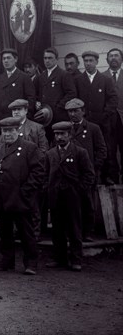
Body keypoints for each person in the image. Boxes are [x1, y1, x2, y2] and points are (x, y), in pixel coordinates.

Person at [0, 117, 45, 275]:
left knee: (26, 232)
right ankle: (7, 261)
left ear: (17, 131)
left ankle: (31, 263)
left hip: (21, 199)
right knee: (5, 232)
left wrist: (26, 191)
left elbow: (38, 171)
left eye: (10, 131)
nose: (7, 134)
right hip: (2, 199)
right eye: (4, 131)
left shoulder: (29, 148)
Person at [45, 122, 94, 272]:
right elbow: (46, 174)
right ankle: (59, 258)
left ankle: (76, 259)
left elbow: (89, 175)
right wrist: (48, 189)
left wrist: (79, 190)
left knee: (74, 228)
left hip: (73, 197)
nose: (59, 137)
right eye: (57, 134)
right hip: (55, 196)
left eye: (62, 134)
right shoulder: (50, 154)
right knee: (57, 229)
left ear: (70, 135)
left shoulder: (80, 152)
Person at [74, 51, 118, 184]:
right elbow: (75, 99)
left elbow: (113, 98)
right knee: (85, 149)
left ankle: (106, 177)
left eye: (91, 60)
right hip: (84, 122)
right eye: (85, 61)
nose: (88, 63)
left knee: (105, 149)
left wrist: (105, 114)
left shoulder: (105, 80)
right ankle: (87, 177)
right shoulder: (78, 80)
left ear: (97, 62)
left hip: (102, 123)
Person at [66, 98, 106, 240]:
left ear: (83, 111)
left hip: (87, 173)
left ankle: (87, 232)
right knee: (70, 204)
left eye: (76, 111)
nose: (73, 114)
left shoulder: (93, 128)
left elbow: (101, 150)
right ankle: (72, 232)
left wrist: (94, 168)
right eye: (70, 111)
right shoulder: (65, 129)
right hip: (69, 173)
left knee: (87, 202)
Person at [0, 48, 36, 129]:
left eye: (8, 58)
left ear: (15, 59)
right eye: (4, 59)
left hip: (17, 121)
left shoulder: (24, 77)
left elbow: (31, 99)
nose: (6, 61)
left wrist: (25, 118)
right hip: (1, 120)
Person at [35, 48, 76, 131]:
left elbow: (71, 93)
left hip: (59, 116)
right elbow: (36, 94)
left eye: (50, 58)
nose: (47, 61)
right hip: (45, 117)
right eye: (45, 58)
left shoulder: (64, 75)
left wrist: (59, 106)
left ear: (56, 59)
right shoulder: (40, 77)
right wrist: (37, 102)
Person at [105, 47, 123, 184]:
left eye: (116, 55)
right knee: (110, 150)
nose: (114, 58)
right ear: (107, 60)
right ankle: (113, 179)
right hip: (108, 121)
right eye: (111, 56)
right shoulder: (101, 77)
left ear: (121, 59)